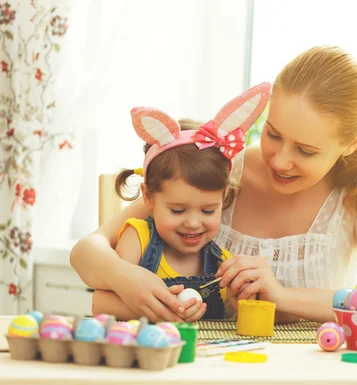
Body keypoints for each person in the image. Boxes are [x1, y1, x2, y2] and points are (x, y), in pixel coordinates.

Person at [71, 45, 357, 324]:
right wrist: (123, 277)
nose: (279, 160)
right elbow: (87, 251)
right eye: (273, 134)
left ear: (352, 143)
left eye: (305, 151)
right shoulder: (219, 170)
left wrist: (283, 296)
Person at [90, 83, 271, 322]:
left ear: (224, 198)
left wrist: (238, 304)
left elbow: (230, 316)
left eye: (208, 210)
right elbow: (100, 304)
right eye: (177, 210)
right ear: (149, 198)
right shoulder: (138, 239)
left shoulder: (222, 262)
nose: (193, 223)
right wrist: (159, 313)